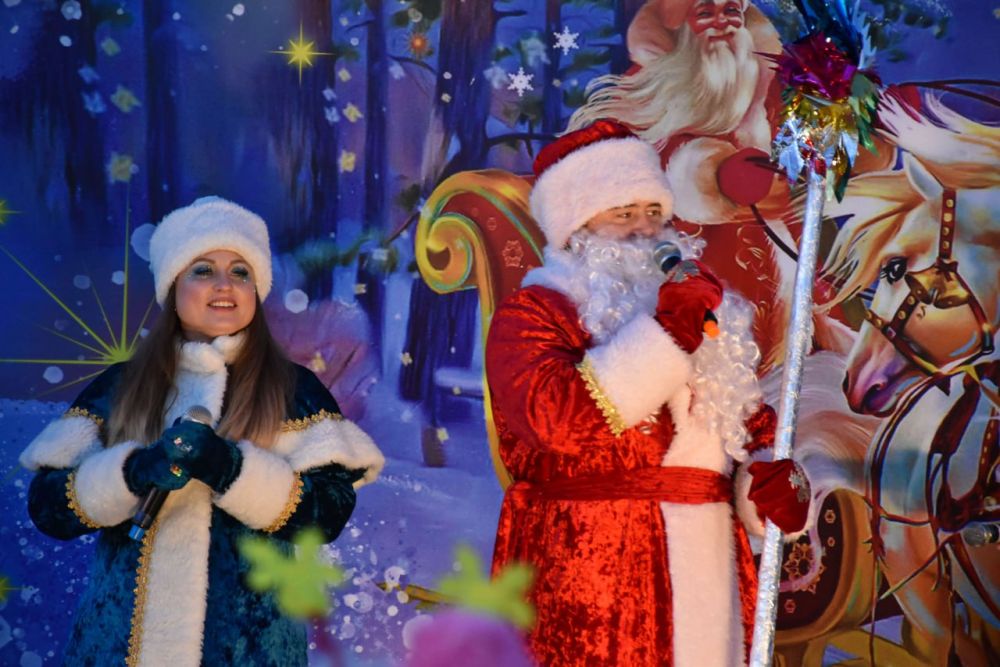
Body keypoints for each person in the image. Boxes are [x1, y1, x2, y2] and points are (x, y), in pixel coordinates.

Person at [486, 120, 812, 666]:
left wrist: (766, 484)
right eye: (623, 213)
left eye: (655, 211)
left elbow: (753, 432)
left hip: (710, 578)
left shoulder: (702, 314)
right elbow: (556, 421)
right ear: (576, 226)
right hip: (593, 575)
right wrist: (669, 333)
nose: (645, 229)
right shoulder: (534, 314)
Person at [19, 197, 384, 666]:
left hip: (250, 654)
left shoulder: (295, 391)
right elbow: (48, 507)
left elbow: (328, 514)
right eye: (204, 270)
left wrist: (229, 469)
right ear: (173, 284)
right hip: (118, 651)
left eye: (241, 272)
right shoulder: (121, 386)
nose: (225, 285)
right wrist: (132, 472)